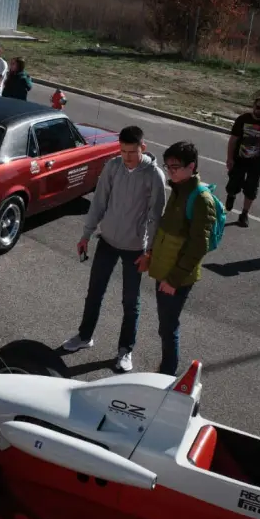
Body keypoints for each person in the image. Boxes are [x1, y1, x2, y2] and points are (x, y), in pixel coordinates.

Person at [62, 126, 166, 372]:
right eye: (122, 151)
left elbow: (156, 216)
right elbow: (99, 202)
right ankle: (84, 337)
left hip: (135, 248)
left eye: (132, 152)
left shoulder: (154, 175)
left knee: (130, 302)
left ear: (143, 147)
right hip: (107, 241)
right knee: (94, 292)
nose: (127, 157)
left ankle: (125, 350)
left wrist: (148, 251)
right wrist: (86, 234)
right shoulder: (113, 167)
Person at [147, 142, 217, 375]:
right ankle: (166, 369)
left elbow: (199, 246)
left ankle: (167, 374)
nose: (170, 171)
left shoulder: (201, 200)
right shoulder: (179, 189)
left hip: (176, 278)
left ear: (192, 166)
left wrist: (174, 280)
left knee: (168, 327)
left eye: (175, 167)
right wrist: (151, 256)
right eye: (167, 166)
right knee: (164, 326)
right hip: (165, 272)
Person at [225, 94, 260, 227]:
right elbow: (233, 140)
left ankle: (244, 214)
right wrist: (229, 158)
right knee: (234, 184)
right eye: (258, 107)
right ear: (253, 105)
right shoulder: (243, 119)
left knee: (252, 189)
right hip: (239, 159)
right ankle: (231, 195)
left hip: (256, 161)